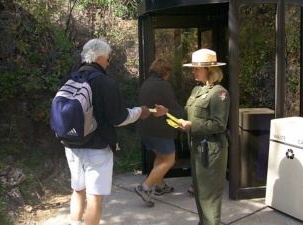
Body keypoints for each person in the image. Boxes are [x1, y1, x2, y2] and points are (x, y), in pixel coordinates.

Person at [57, 38, 164, 225]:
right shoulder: (105, 82)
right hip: (97, 147)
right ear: (98, 58)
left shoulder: (69, 78)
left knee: (78, 191)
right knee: (95, 198)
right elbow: (118, 118)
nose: (108, 62)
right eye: (107, 58)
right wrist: (141, 112)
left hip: (71, 146)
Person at [180, 48, 230, 225]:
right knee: (200, 193)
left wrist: (192, 125)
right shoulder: (197, 91)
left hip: (212, 149)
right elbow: (188, 114)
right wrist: (167, 113)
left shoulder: (219, 93)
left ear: (209, 69)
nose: (193, 71)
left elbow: (219, 124)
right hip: (199, 147)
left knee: (210, 196)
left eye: (196, 68)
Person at [135, 58, 184, 207]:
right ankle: (145, 188)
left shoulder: (146, 83)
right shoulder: (163, 85)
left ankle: (160, 186)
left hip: (146, 130)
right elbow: (172, 106)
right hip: (160, 131)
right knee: (169, 160)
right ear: (165, 71)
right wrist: (184, 113)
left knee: (161, 157)